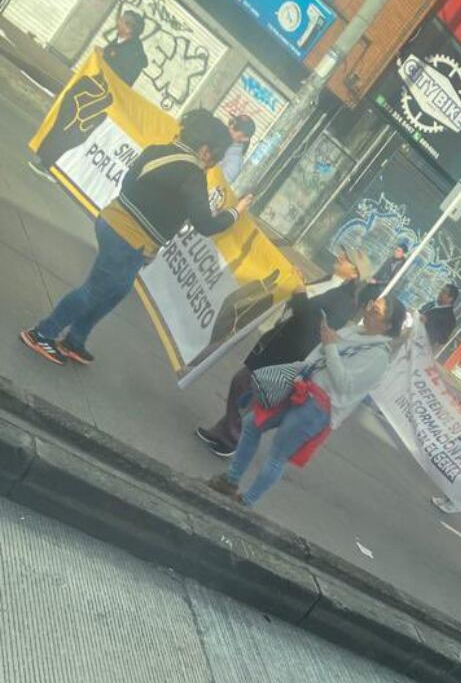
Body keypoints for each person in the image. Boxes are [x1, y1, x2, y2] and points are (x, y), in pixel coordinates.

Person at [21, 109, 251, 367]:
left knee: (116, 290)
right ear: (206, 150)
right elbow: (205, 225)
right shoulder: (192, 174)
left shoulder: (158, 150)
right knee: (95, 290)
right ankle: (42, 333)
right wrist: (235, 212)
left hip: (112, 222)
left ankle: (75, 339)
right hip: (128, 239)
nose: (213, 164)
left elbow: (130, 183)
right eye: (216, 157)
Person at [207, 296, 406, 507]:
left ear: (388, 325)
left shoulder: (378, 357)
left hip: (318, 407)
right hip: (300, 386)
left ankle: (247, 501)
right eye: (370, 305)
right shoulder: (354, 332)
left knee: (277, 454)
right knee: (251, 423)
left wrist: (330, 346)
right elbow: (320, 356)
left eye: (375, 311)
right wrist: (319, 349)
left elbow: (344, 385)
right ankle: (230, 480)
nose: (368, 312)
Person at [194, 250, 372, 457]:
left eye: (347, 259)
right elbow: (306, 303)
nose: (341, 257)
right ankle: (223, 432)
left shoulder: (345, 300)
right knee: (244, 384)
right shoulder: (328, 281)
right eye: (343, 253)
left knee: (247, 387)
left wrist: (299, 293)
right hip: (279, 340)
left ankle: (232, 439)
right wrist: (300, 285)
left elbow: (313, 322)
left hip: (292, 351)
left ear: (354, 274)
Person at [101, 10, 147, 85]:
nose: (118, 21)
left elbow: (116, 74)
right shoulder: (120, 40)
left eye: (121, 20)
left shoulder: (131, 52)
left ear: (129, 29)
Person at [423, 284, 459, 351]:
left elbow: (441, 339)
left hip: (421, 348)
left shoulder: (450, 319)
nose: (440, 293)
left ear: (450, 299)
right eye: (441, 290)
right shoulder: (432, 304)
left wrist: (426, 322)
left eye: (444, 292)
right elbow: (420, 312)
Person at [220, 115, 255, 181]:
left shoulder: (235, 161)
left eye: (237, 127)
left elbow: (219, 184)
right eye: (231, 122)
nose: (231, 127)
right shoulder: (220, 138)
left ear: (244, 138)